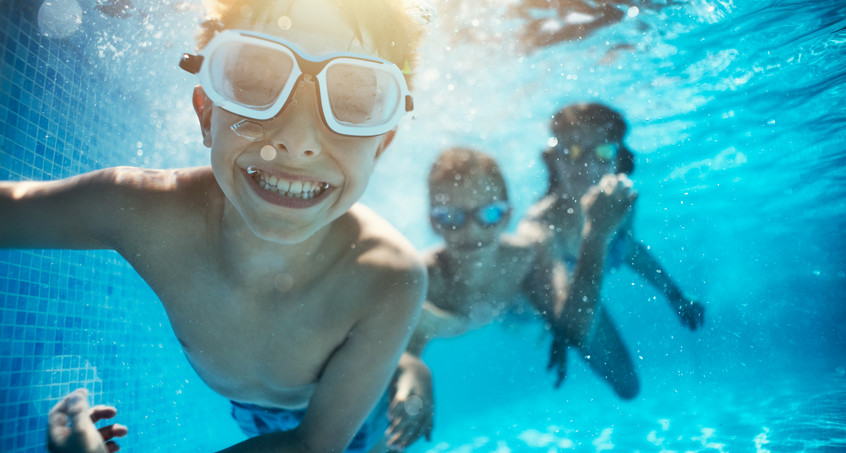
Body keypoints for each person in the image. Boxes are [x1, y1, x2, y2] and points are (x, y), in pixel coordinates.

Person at [2, 1, 429, 451]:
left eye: (354, 101)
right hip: (253, 416)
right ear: (207, 112)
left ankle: (409, 366)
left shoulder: (388, 277)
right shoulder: (145, 213)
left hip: (357, 419)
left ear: (382, 143)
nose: (297, 140)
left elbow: (314, 444)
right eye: (256, 83)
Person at [385, 146, 637, 449]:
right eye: (452, 217)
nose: (472, 230)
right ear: (433, 222)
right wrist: (415, 373)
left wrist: (596, 235)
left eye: (489, 214)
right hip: (508, 308)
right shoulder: (424, 279)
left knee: (628, 386)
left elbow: (576, 330)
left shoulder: (526, 256)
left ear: (508, 216)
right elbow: (399, 349)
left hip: (526, 306)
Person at [518, 102, 706, 395]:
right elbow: (549, 300)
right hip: (525, 307)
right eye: (573, 151)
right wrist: (560, 330)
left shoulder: (619, 202)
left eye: (603, 151)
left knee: (628, 386)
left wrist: (675, 295)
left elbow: (627, 248)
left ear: (619, 160)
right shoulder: (540, 227)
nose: (588, 165)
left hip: (578, 297)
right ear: (554, 158)